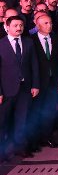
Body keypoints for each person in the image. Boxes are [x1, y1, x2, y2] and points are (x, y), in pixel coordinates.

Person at [0, 16, 39, 159]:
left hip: (25, 88)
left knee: (22, 119)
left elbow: (34, 65)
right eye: (15, 25)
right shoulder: (1, 44)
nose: (19, 28)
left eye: (21, 25)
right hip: (6, 90)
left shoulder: (28, 42)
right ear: (7, 27)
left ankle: (20, 147)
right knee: (3, 121)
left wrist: (35, 85)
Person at [29, 12, 58, 149]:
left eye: (50, 23)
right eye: (46, 23)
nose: (49, 26)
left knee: (50, 110)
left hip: (53, 80)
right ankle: (35, 140)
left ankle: (47, 137)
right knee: (36, 111)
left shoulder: (55, 37)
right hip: (38, 82)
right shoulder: (31, 40)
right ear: (37, 25)